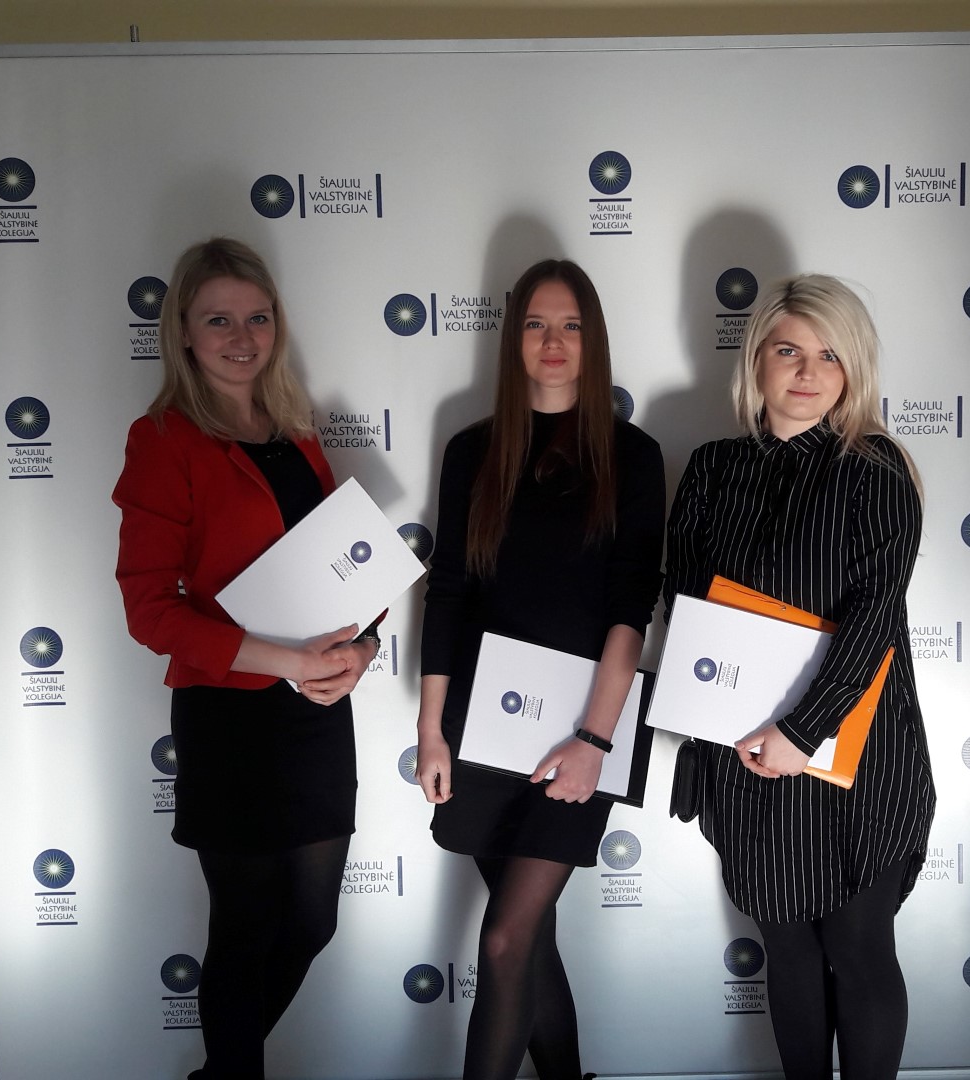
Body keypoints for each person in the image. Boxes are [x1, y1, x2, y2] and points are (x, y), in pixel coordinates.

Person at [113, 237, 380, 1080]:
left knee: (312, 923)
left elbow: (347, 569)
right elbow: (149, 609)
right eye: (218, 320)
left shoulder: (297, 433)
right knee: (245, 927)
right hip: (229, 715)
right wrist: (284, 660)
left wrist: (363, 647)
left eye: (257, 318)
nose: (241, 337)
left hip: (315, 713)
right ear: (183, 332)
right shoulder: (164, 439)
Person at [662, 275, 935, 1080]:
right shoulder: (711, 469)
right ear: (758, 358)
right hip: (743, 754)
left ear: (854, 368)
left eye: (829, 355)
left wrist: (800, 731)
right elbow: (685, 607)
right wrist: (716, 729)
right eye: (789, 350)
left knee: (858, 944)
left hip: (857, 758)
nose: (808, 371)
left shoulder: (875, 469)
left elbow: (875, 615)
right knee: (785, 945)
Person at [414, 259, 665, 1080]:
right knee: (530, 941)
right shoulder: (471, 450)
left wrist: (595, 739)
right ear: (512, 337)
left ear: (593, 340)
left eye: (570, 326)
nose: (553, 342)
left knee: (504, 938)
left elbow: (632, 610)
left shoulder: (633, 456)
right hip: (481, 732)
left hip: (584, 732)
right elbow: (448, 592)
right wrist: (431, 730)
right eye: (535, 324)